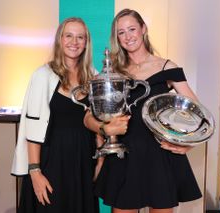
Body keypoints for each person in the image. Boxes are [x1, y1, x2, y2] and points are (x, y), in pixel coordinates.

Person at [84, 9, 202, 213]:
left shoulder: (166, 67)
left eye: (132, 29)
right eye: (121, 32)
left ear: (143, 29)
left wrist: (189, 144)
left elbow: (195, 111)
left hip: (159, 155)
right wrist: (105, 131)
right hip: (124, 154)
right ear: (117, 38)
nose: (128, 36)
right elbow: (90, 114)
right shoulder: (112, 71)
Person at [11, 17, 100, 213]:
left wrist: (100, 162)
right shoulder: (43, 74)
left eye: (80, 37)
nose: (74, 42)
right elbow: (32, 126)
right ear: (60, 39)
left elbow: (99, 123)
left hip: (83, 162)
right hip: (51, 161)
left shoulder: (94, 76)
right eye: (68, 36)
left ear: (86, 43)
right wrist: (35, 172)